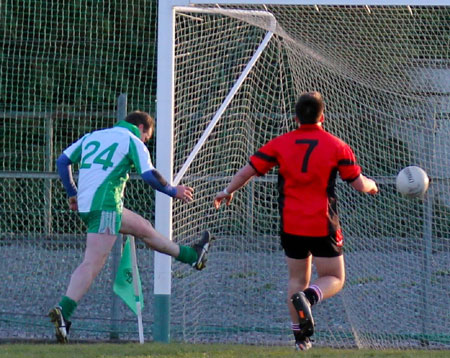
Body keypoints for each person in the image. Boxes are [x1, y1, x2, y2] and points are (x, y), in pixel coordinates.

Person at [213, 92, 378, 351]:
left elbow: (249, 170)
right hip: (321, 224)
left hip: (291, 224)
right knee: (334, 277)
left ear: (295, 117)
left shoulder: (280, 143)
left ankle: (301, 339)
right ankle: (310, 298)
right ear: (323, 116)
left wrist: (228, 190)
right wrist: (371, 186)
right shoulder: (337, 145)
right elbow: (358, 183)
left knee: (296, 280)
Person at [49, 111, 213, 343]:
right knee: (92, 263)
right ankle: (64, 311)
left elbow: (62, 161)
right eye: (148, 136)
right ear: (141, 127)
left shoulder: (93, 136)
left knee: (144, 228)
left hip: (91, 204)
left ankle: (192, 256)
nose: (146, 140)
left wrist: (72, 194)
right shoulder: (132, 140)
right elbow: (149, 175)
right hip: (105, 207)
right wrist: (172, 191)